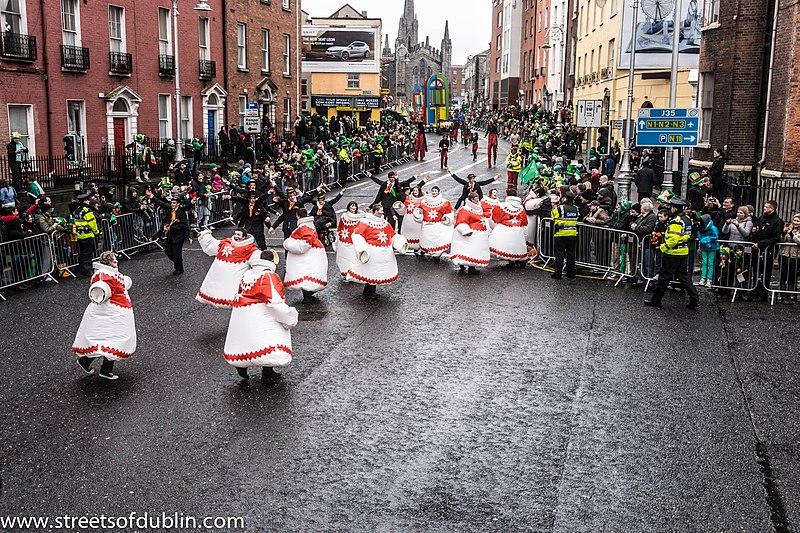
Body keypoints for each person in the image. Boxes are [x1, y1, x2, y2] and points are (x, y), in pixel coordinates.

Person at [223, 250, 298, 382]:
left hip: (243, 313)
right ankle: (267, 372)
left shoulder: (247, 274)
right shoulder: (268, 276)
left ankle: (242, 366)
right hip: (262, 314)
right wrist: (289, 317)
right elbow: (275, 300)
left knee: (247, 341)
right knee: (268, 341)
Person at [72, 252, 136, 381]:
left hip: (110, 313)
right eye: (113, 261)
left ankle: (87, 362)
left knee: (105, 341)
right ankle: (105, 370)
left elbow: (121, 284)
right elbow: (102, 288)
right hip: (112, 313)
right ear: (107, 263)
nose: (116, 262)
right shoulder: (104, 276)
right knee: (113, 340)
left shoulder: (108, 274)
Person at [645, 199, 700, 309]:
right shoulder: (687, 219)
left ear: (674, 208)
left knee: (664, 277)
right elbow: (686, 236)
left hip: (672, 253)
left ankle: (656, 300)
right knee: (684, 277)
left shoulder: (676, 221)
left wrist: (662, 248)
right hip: (683, 251)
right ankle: (694, 298)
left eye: (671, 207)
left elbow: (673, 239)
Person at [349, 203, 409, 299]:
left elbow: (392, 235)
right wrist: (362, 249)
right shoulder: (365, 222)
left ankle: (370, 291)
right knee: (370, 271)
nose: (381, 212)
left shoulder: (385, 223)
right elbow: (358, 235)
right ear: (375, 211)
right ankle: (369, 292)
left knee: (375, 272)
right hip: (372, 252)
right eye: (380, 210)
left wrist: (400, 243)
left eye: (382, 210)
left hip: (383, 252)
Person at [196, 227, 259, 307]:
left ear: (244, 237)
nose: (236, 236)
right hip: (219, 277)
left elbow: (258, 258)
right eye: (235, 234)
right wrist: (204, 235)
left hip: (233, 280)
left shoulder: (249, 249)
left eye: (238, 234)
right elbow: (212, 245)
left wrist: (268, 257)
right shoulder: (226, 243)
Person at [283, 211, 329, 303]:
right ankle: (308, 294)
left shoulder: (303, 228)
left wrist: (288, 243)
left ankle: (307, 296)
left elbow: (302, 246)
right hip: (313, 256)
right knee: (309, 275)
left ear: (298, 216)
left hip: (307, 257)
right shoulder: (310, 226)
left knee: (305, 275)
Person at [450, 192, 493, 274]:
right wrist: (465, 230)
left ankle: (471, 266)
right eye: (476, 198)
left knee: (473, 250)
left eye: (478, 198)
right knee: (466, 250)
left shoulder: (479, 208)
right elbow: (461, 221)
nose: (477, 200)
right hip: (470, 234)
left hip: (478, 235)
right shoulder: (465, 209)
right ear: (472, 200)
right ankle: (465, 265)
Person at [750, 200, 784, 302]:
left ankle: (763, 294)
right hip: (757, 249)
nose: (764, 208)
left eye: (767, 207)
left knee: (765, 272)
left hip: (767, 250)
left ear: (772, 209)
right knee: (756, 270)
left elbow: (775, 238)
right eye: (764, 206)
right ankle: (754, 290)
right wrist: (754, 231)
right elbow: (756, 228)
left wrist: (761, 244)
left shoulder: (778, 221)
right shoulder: (761, 218)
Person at [488, 189, 528, 268]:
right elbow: (524, 220)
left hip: (506, 227)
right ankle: (519, 260)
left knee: (507, 245)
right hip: (518, 228)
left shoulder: (503, 206)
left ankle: (511, 262)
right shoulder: (521, 207)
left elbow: (494, 218)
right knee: (517, 245)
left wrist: (495, 228)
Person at [414, 186, 454, 262]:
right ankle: (430, 252)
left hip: (439, 225)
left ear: (439, 192)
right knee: (428, 240)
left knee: (440, 240)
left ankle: (437, 254)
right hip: (427, 226)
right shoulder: (424, 202)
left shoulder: (444, 202)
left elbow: (449, 213)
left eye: (436, 191)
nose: (434, 192)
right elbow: (418, 211)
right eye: (433, 191)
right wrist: (418, 213)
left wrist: (446, 218)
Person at [551, 191, 579, 280]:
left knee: (560, 254)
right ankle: (571, 274)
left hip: (561, 234)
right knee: (571, 254)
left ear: (565, 199)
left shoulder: (560, 209)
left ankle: (558, 274)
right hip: (572, 234)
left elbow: (552, 216)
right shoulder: (576, 209)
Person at [72, 193, 99, 277]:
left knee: (82, 253)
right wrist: (96, 232)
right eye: (87, 200)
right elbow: (92, 223)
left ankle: (80, 269)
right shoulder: (87, 211)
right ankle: (87, 270)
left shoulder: (77, 210)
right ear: (86, 201)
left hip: (80, 235)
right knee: (87, 253)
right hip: (88, 235)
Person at [336, 201, 364, 280]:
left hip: (355, 240)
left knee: (354, 257)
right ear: (348, 207)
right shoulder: (344, 216)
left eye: (355, 206)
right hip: (345, 240)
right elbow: (340, 226)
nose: (353, 208)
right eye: (352, 206)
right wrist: (338, 235)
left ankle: (355, 273)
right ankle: (345, 273)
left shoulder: (360, 217)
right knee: (345, 257)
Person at [161, 197, 189, 274]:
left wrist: (172, 227)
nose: (172, 204)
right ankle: (178, 261)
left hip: (179, 235)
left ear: (178, 204)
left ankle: (179, 268)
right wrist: (166, 225)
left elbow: (184, 224)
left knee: (177, 252)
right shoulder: (170, 211)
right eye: (172, 203)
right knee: (168, 251)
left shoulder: (181, 212)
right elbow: (166, 220)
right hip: (171, 234)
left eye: (174, 203)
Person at [395, 185, 425, 254]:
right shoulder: (408, 199)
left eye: (416, 190)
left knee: (419, 234)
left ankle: (421, 247)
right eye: (414, 190)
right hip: (408, 220)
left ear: (419, 191)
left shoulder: (423, 200)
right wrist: (400, 206)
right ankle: (410, 246)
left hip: (418, 221)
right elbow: (404, 209)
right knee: (409, 234)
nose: (415, 192)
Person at [778, 213, 800, 305]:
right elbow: (781, 240)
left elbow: (799, 242)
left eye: (798, 221)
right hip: (784, 254)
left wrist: (792, 235)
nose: (795, 222)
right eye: (794, 220)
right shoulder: (788, 229)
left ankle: (790, 295)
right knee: (783, 275)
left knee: (792, 276)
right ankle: (783, 296)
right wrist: (783, 233)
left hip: (795, 256)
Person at [697, 214, 719, 288]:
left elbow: (715, 236)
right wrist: (702, 239)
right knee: (704, 262)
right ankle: (703, 278)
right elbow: (699, 234)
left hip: (712, 247)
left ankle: (709, 279)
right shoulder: (701, 227)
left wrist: (706, 239)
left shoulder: (713, 228)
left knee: (710, 263)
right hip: (704, 247)